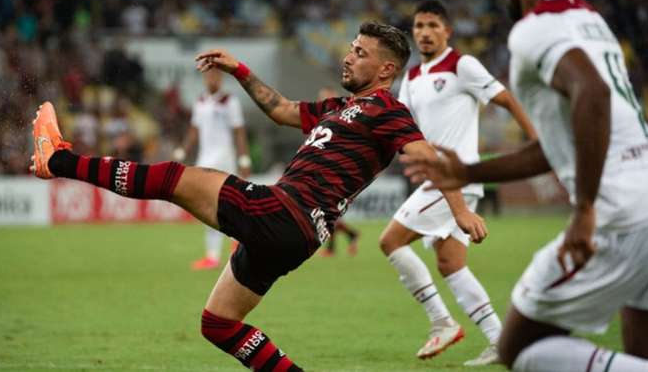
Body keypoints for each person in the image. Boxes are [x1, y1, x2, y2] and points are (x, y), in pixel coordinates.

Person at [29, 21, 488, 371]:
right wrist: (241, 71)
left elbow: (429, 157)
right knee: (219, 325)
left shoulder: (388, 109)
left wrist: (460, 209)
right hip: (294, 231)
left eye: (360, 53)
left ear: (386, 69)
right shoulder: (339, 108)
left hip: (286, 213)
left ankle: (60, 161)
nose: (348, 58)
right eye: (350, 48)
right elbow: (281, 110)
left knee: (176, 178)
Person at [405, 0, 648, 371]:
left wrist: (584, 207)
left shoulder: (534, 28)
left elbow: (593, 93)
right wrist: (470, 171)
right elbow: (560, 144)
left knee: (521, 349)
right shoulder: (589, 19)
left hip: (620, 212)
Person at [379, 0, 538, 366]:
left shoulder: (462, 64)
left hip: (457, 178)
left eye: (433, 25)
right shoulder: (413, 78)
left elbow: (508, 100)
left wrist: (537, 144)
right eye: (419, 26)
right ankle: (502, 342)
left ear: (447, 31)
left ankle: (442, 322)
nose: (425, 32)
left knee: (390, 240)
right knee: (451, 263)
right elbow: (401, 128)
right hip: (435, 180)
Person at [174, 68, 251, 270]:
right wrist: (182, 152)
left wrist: (244, 159)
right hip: (205, 158)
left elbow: (239, 131)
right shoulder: (200, 102)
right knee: (208, 206)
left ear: (221, 78)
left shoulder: (229, 101)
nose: (212, 79)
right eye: (209, 76)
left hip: (224, 158)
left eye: (216, 75)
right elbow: (194, 130)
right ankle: (215, 254)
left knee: (223, 203)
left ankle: (233, 244)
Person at [314, 86, 361, 258]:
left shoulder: (345, 118)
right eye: (322, 98)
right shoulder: (323, 118)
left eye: (327, 98)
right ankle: (351, 235)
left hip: (339, 173)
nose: (323, 101)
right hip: (324, 170)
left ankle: (332, 248)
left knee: (328, 210)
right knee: (327, 211)